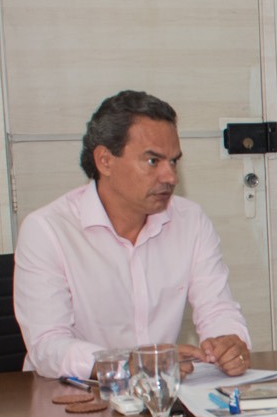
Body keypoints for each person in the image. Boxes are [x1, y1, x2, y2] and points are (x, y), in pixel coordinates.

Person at [14, 90, 253, 381]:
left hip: (165, 397)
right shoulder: (47, 230)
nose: (171, 177)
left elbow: (216, 307)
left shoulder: (190, 221)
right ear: (104, 161)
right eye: (153, 161)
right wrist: (130, 363)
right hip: (75, 397)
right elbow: (47, 347)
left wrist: (228, 342)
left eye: (174, 162)